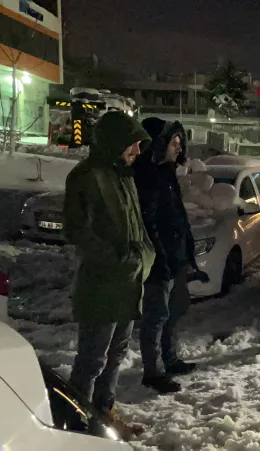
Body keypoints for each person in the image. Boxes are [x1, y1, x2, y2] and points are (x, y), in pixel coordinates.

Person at [63, 111, 156, 438]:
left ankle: (104, 414)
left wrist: (144, 255)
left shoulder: (123, 175)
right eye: (133, 143)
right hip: (101, 285)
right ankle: (75, 426)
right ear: (115, 141)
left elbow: (136, 226)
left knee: (116, 355)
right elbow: (78, 231)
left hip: (128, 283)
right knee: (92, 361)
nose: (138, 151)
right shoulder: (86, 176)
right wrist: (119, 260)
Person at [133, 117, 209, 394]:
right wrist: (160, 257)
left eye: (180, 143)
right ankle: (153, 372)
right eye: (174, 143)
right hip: (159, 261)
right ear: (159, 143)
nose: (179, 148)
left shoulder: (166, 174)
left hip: (174, 258)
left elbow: (177, 218)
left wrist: (187, 254)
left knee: (173, 311)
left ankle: (170, 358)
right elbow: (149, 222)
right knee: (156, 316)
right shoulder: (147, 176)